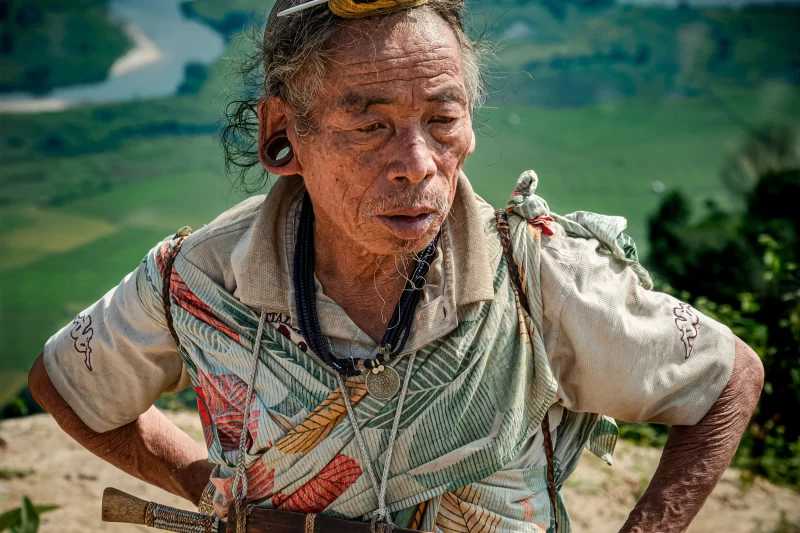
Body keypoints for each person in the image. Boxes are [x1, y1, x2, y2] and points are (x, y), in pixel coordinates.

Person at [28, 0, 764, 531]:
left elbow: (727, 377)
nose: (417, 165)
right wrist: (204, 482)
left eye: (442, 118)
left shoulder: (538, 279)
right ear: (283, 131)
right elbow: (66, 382)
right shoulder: (201, 279)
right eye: (370, 122)